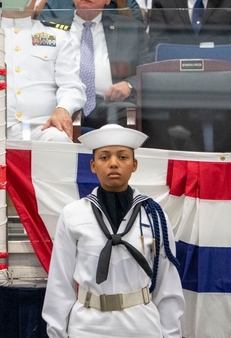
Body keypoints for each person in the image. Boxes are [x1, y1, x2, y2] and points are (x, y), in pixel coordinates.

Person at [42, 124, 183, 338]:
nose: (114, 163)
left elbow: (167, 284)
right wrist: (56, 333)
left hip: (141, 325)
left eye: (123, 157)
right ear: (93, 165)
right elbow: (59, 283)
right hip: (88, 325)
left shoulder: (154, 215)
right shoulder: (73, 215)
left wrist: (171, 334)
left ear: (134, 164)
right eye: (104, 157)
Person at [0, 0, 84, 144]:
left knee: (58, 139)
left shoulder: (57, 36)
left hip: (39, 127)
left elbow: (72, 86)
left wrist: (63, 109)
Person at [69, 0, 147, 128]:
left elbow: (148, 68)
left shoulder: (129, 28)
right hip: (64, 103)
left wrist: (129, 84)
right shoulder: (54, 28)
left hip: (111, 105)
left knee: (130, 114)